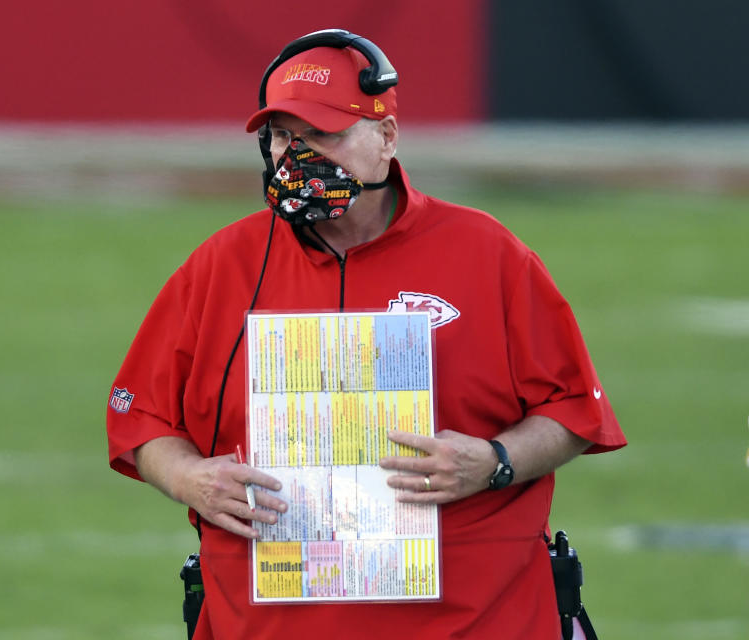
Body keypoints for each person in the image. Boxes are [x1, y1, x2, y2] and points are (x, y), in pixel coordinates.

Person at [106, 29, 626, 640]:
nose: (296, 157)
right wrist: (189, 478)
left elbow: (573, 410)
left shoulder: (489, 254)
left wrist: (495, 461)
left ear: (386, 139)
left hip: (475, 620)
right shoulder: (220, 265)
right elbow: (141, 418)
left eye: (323, 134)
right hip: (268, 622)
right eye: (281, 136)